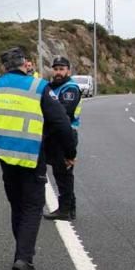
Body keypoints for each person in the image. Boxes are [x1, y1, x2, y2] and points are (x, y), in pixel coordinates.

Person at [0, 47, 77, 270]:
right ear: (25, 64)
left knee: (17, 206)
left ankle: (21, 254)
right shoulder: (38, 87)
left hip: (5, 155)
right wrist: (69, 153)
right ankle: (25, 259)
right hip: (32, 154)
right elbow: (62, 123)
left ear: (4, 67)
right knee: (32, 207)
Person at [43, 56, 82, 220]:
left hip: (65, 133)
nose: (58, 72)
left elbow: (63, 114)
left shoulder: (70, 89)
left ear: (68, 70)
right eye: (56, 69)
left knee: (63, 173)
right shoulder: (53, 87)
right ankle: (68, 208)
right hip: (55, 134)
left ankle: (65, 209)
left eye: (62, 69)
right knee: (60, 173)